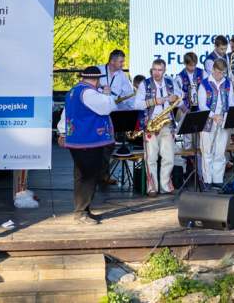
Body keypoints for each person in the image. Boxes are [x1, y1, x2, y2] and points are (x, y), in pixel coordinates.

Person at [57, 66, 116, 225]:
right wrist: (107, 92)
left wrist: (62, 133)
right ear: (96, 79)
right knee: (89, 177)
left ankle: (83, 210)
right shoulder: (89, 92)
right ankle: (81, 214)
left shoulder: (73, 91)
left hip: (76, 140)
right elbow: (107, 107)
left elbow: (66, 114)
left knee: (81, 176)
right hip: (89, 140)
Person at [133, 59, 180, 196]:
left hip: (168, 123)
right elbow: (136, 104)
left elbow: (180, 100)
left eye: (159, 70)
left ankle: (166, 186)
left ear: (165, 71)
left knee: (169, 157)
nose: (157, 72)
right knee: (151, 157)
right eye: (154, 69)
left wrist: (175, 98)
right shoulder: (144, 84)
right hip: (151, 123)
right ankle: (152, 187)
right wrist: (154, 101)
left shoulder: (170, 83)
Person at [197, 58, 234, 189]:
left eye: (223, 73)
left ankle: (217, 180)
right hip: (207, 121)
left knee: (220, 152)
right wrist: (213, 115)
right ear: (213, 69)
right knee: (207, 152)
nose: (221, 76)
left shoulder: (228, 83)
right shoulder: (203, 84)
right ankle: (207, 180)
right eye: (219, 73)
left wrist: (227, 116)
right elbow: (202, 105)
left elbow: (231, 102)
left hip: (223, 120)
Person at [96, 50, 132, 185]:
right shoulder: (98, 70)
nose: (123, 64)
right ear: (112, 62)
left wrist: (138, 107)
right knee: (94, 145)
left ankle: (103, 175)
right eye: (121, 62)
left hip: (112, 113)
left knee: (109, 144)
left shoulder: (122, 76)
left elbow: (128, 94)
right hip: (97, 112)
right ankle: (91, 175)